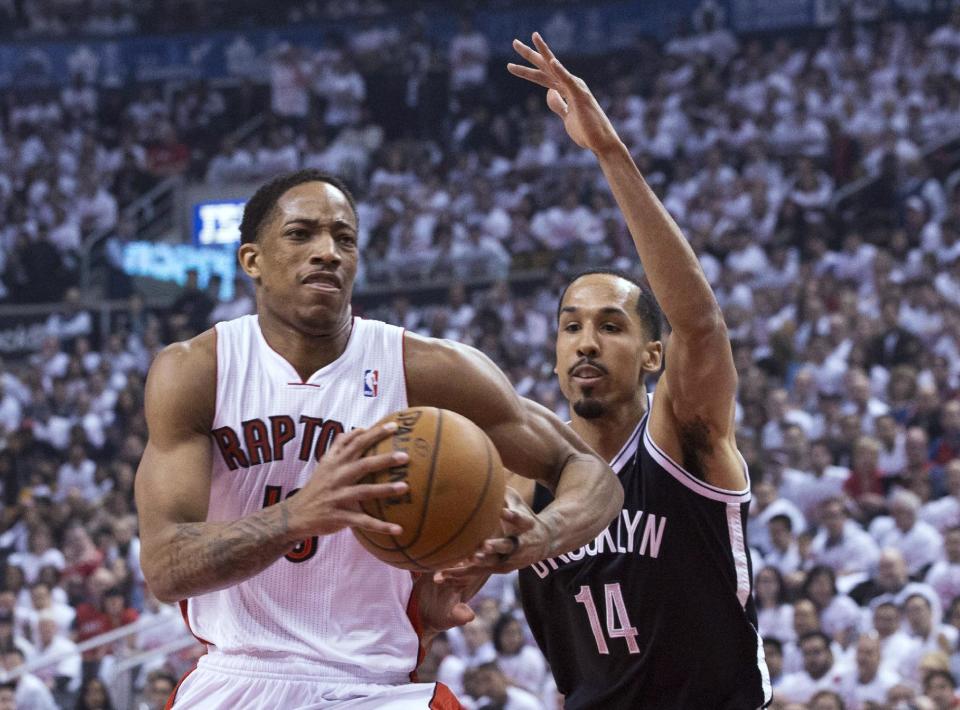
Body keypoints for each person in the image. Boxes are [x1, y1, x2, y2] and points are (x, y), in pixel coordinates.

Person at [135, 167, 622, 708]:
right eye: (301, 235)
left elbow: (591, 473)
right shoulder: (198, 371)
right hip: (237, 674)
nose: (327, 252)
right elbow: (164, 566)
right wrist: (297, 517)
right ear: (253, 260)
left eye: (344, 238)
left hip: (375, 685)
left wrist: (542, 536)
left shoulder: (427, 369)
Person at [500, 32, 771, 708]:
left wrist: (609, 154)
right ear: (555, 352)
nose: (586, 342)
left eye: (611, 326)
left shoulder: (684, 439)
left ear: (653, 354)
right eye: (571, 327)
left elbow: (702, 326)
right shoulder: (525, 474)